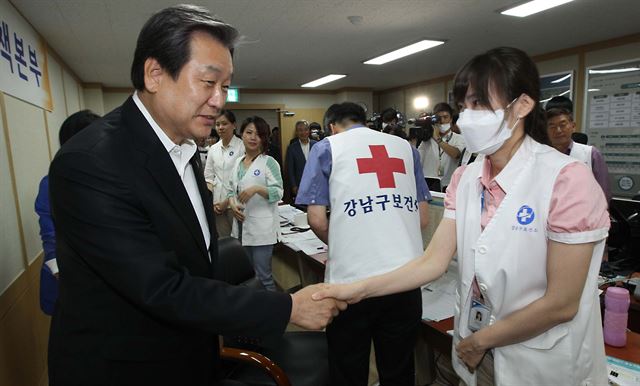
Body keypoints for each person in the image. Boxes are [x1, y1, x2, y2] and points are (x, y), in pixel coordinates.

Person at [47, 5, 344, 386]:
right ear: (155, 74)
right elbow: (162, 288)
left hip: (190, 355)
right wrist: (287, 306)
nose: (220, 100)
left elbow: (196, 264)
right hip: (128, 368)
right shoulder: (92, 163)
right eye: (208, 82)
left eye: (225, 86)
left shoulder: (183, 149)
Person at [314, 47, 610, 386]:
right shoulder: (466, 178)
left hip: (540, 358)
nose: (466, 117)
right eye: (463, 105)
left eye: (479, 104)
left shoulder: (566, 179)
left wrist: (481, 341)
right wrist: (358, 289)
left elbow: (561, 303)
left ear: (523, 105)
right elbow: (432, 263)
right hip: (477, 348)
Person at [297, 102, 431, 386]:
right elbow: (422, 218)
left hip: (350, 284)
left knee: (349, 369)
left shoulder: (326, 148)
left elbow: (317, 220)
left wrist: (346, 242)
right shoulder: (406, 149)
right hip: (404, 282)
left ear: (332, 127)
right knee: (399, 369)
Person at [35, 109, 100, 316]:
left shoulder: (106, 179)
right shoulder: (53, 181)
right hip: (68, 282)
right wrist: (60, 273)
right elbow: (49, 230)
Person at [228, 116, 283, 291]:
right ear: (241, 134)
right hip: (241, 228)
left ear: (264, 138)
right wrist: (232, 205)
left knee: (264, 277)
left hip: (262, 230)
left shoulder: (269, 162)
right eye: (249, 132)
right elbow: (231, 190)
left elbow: (278, 192)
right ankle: (256, 313)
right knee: (248, 276)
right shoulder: (237, 162)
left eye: (258, 134)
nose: (253, 137)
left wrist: (257, 189)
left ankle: (275, 315)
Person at [545, 96, 611, 203]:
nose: (558, 130)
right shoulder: (541, 157)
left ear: (573, 126)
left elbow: (604, 195)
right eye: (552, 126)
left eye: (563, 125)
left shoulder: (591, 154)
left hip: (585, 216)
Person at [205, 109, 245, 237]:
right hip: (216, 204)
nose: (220, 127)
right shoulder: (213, 149)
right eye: (217, 124)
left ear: (234, 125)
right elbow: (208, 177)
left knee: (239, 241)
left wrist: (226, 202)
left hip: (236, 203)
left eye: (224, 123)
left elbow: (242, 180)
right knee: (224, 242)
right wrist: (211, 200)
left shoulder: (242, 147)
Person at [431, 102, 466, 191]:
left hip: (451, 185)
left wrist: (438, 139)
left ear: (451, 119)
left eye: (445, 117)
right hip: (432, 185)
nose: (442, 121)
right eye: (439, 118)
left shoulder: (459, 138)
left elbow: (456, 154)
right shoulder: (428, 139)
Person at [285, 120, 316, 199]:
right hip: (300, 185)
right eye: (300, 130)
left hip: (315, 184)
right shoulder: (292, 148)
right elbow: (290, 169)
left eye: (305, 129)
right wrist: (294, 186)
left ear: (309, 131)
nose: (303, 132)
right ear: (296, 132)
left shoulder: (316, 145)